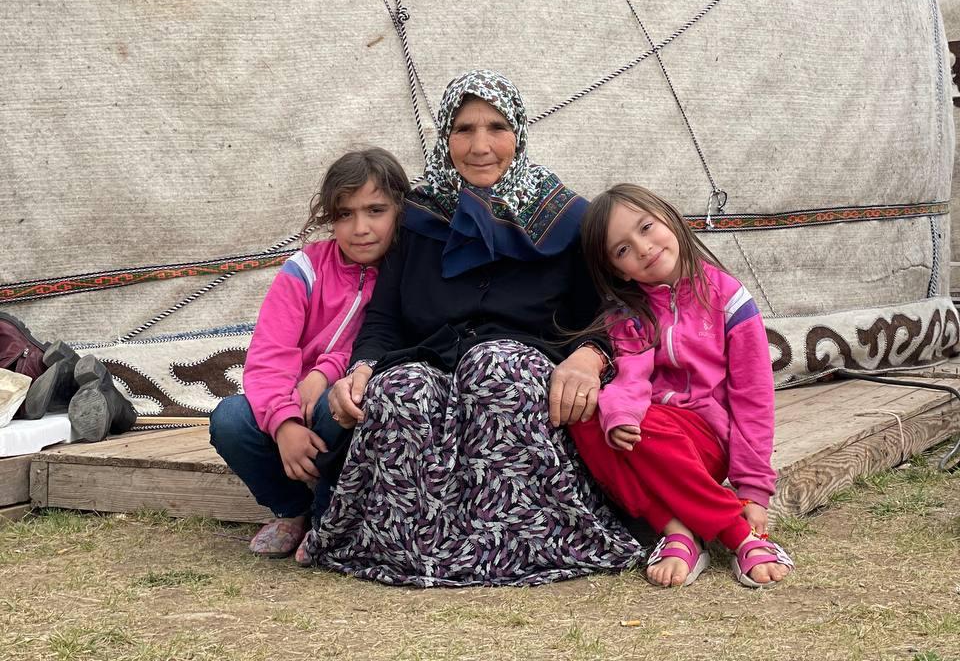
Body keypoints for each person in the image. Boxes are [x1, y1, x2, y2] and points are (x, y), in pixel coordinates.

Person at [300, 70, 645, 586]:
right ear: (445, 137)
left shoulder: (568, 219)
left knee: (493, 367)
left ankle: (523, 544)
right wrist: (363, 368)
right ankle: (414, 549)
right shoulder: (418, 217)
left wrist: (588, 357)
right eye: (463, 129)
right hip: (432, 361)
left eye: (496, 127)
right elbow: (385, 318)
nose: (480, 146)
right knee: (400, 389)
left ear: (518, 134)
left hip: (521, 367)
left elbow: (604, 315)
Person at [568, 183, 794, 589]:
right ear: (620, 271)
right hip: (652, 428)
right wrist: (619, 415)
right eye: (623, 249)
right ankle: (678, 530)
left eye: (646, 227)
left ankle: (739, 534)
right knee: (586, 416)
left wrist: (753, 490)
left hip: (708, 437)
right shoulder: (629, 314)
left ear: (669, 217)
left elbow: (753, 399)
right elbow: (631, 378)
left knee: (643, 426)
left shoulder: (728, 299)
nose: (643, 248)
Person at [209, 147, 408, 558]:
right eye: (345, 214)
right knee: (230, 420)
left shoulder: (405, 275)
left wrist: (324, 372)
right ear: (329, 217)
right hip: (286, 399)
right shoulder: (305, 269)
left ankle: (326, 517)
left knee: (346, 407)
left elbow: (378, 344)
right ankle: (291, 510)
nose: (361, 228)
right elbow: (269, 354)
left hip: (341, 404)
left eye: (376, 211)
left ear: (400, 210)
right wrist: (284, 423)